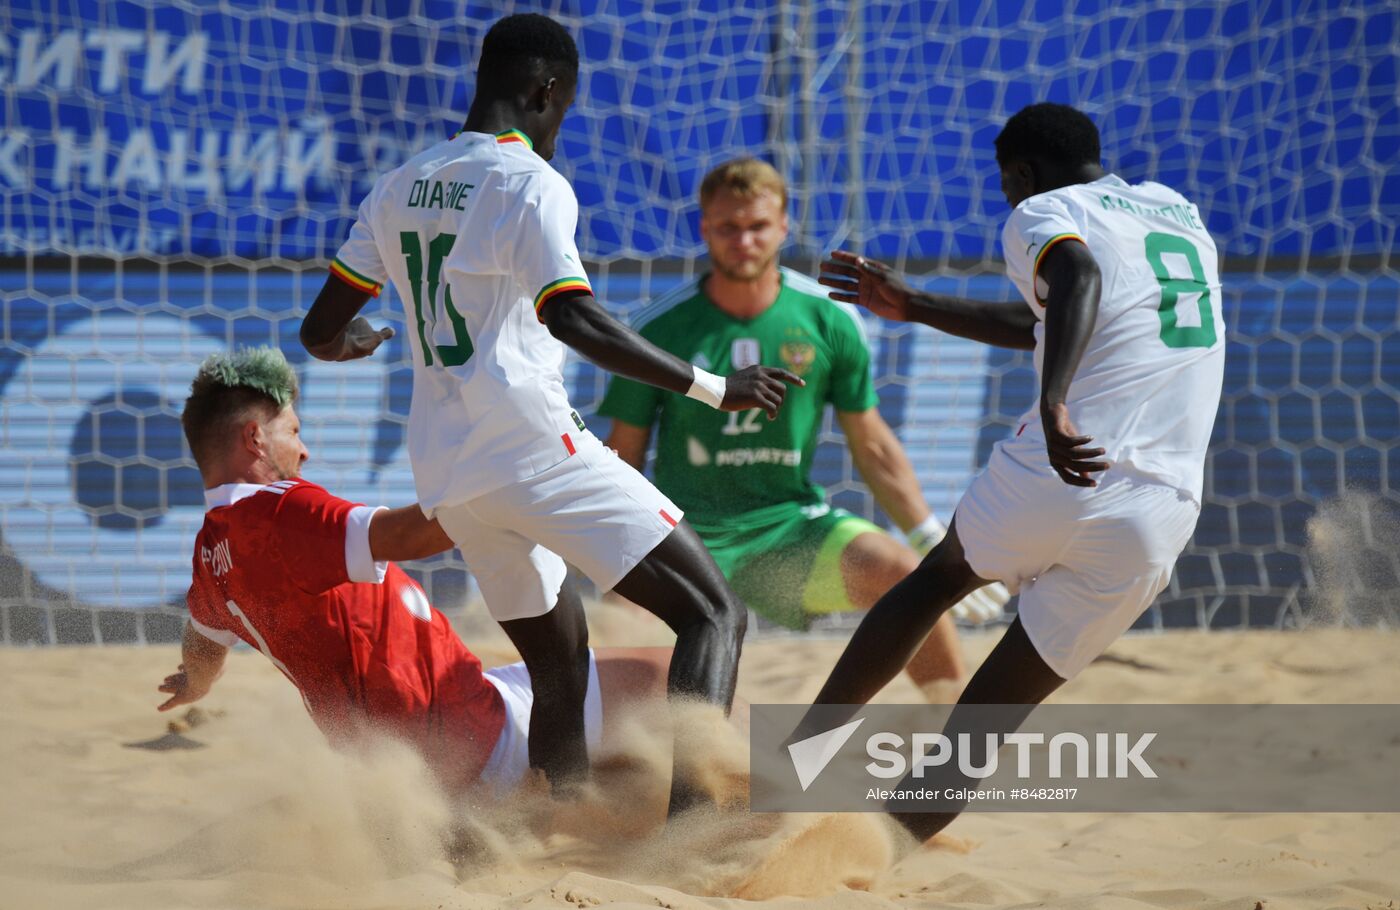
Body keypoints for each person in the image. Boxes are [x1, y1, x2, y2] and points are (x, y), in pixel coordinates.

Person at [298, 14, 799, 814]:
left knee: (559, 658)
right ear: (544, 92)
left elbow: (318, 332)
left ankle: (563, 823)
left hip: (447, 475)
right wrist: (715, 388)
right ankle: (691, 828)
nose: (560, 126)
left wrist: (361, 338)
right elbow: (576, 320)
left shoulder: (396, 186)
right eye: (563, 110)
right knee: (713, 613)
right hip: (530, 448)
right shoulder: (529, 183)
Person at [797, 102, 1224, 837]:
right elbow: (1055, 315)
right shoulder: (1176, 213)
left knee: (937, 579)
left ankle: (794, 763)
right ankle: (878, 853)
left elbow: (1078, 277)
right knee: (986, 723)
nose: (1007, 197)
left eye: (1005, 182)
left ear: (1020, 171)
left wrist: (1054, 402)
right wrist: (917, 305)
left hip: (1066, 463)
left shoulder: (1044, 211)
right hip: (1160, 513)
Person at [159, 347, 675, 799]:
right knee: (676, 672)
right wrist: (535, 479)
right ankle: (757, 819)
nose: (305, 449)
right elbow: (413, 536)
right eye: (293, 431)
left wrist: (194, 683)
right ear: (254, 438)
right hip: (480, 734)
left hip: (416, 767)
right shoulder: (277, 513)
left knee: (627, 748)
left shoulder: (211, 555)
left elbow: (203, 641)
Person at [598, 158, 1009, 700]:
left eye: (757, 226)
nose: (743, 240)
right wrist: (607, 555)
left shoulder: (828, 318)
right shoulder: (657, 327)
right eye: (727, 227)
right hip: (683, 537)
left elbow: (873, 444)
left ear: (784, 226)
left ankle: (953, 735)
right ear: (703, 228)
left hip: (786, 533)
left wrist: (929, 537)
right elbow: (620, 457)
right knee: (620, 660)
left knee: (904, 574)